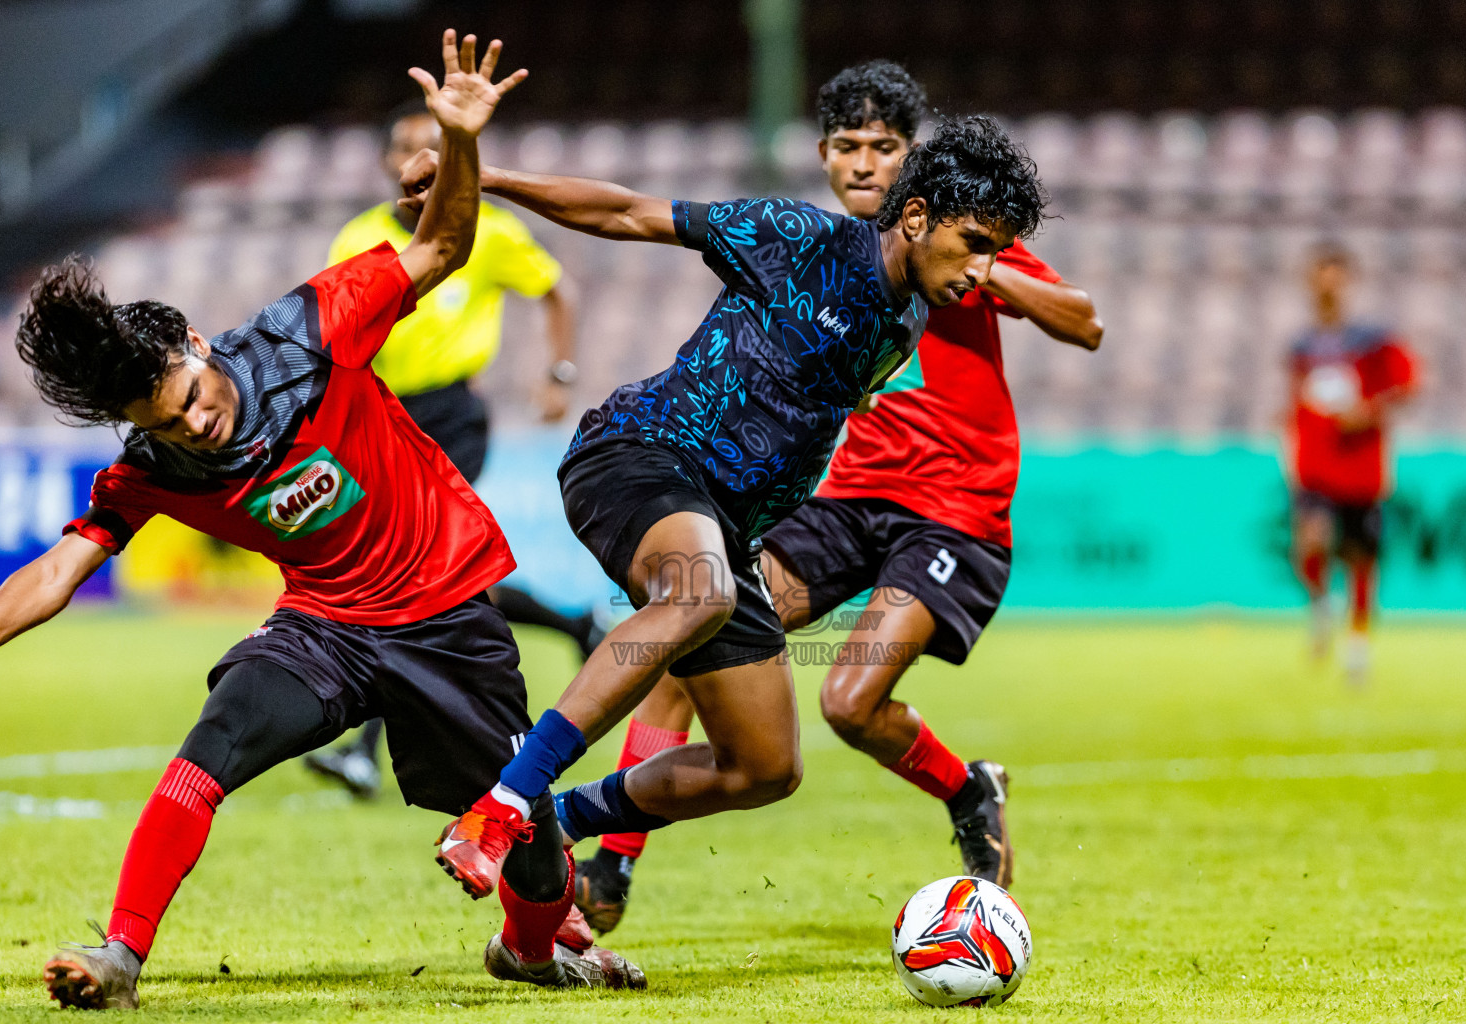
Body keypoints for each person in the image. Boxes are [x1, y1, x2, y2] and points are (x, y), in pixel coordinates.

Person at [0, 32, 640, 1010]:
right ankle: (121, 957)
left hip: (451, 614)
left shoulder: (312, 329)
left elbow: (440, 247)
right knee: (209, 747)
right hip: (326, 629)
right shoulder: (154, 466)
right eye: (165, 425)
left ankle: (534, 944)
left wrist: (461, 144)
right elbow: (58, 569)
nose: (194, 427)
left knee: (540, 857)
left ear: (199, 342)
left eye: (191, 397)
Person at [414, 108, 1049, 908]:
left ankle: (559, 823)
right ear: (916, 218)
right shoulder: (800, 235)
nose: (985, 273)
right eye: (978, 245)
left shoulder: (910, 318)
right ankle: (501, 807)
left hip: (728, 527)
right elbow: (627, 212)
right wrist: (486, 174)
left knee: (764, 766)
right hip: (640, 453)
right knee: (699, 593)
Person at [573, 62, 1104, 932]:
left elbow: (1084, 321)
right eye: (850, 148)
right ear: (825, 158)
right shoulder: (816, 249)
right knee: (695, 632)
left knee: (848, 702)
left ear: (913, 166)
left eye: (886, 148)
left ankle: (967, 788)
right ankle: (610, 869)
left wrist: (985, 264)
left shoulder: (956, 242)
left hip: (951, 504)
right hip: (845, 496)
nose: (866, 166)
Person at [305, 102, 603, 800]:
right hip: (379, 414)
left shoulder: (489, 231)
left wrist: (559, 374)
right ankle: (574, 623)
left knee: (403, 565)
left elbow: (559, 291)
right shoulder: (358, 237)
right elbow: (334, 326)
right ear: (388, 164)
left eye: (434, 150)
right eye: (407, 149)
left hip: (451, 417)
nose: (420, 164)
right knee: (434, 575)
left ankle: (365, 749)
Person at [1286, 242, 1417, 681]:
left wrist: (1369, 411)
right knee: (1312, 540)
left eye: (1335, 277)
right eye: (1321, 277)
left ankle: (1357, 645)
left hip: (1361, 468)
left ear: (1347, 282)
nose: (1328, 287)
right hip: (1316, 466)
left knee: (1361, 559)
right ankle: (1323, 605)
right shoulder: (1302, 344)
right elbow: (1297, 401)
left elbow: (1408, 384)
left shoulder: (1373, 340)